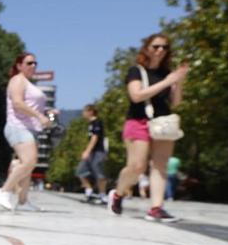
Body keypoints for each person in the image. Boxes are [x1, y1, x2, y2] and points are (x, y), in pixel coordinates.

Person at [107, 33, 189, 222]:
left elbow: (176, 103)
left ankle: (156, 208)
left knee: (160, 166)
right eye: (156, 46)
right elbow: (136, 96)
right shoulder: (136, 71)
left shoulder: (167, 73)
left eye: (165, 47)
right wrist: (167, 82)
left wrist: (178, 81)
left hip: (163, 123)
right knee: (137, 166)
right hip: (138, 121)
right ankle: (118, 193)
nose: (160, 50)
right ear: (146, 48)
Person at [0, 53, 53, 212]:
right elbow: (18, 103)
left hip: (30, 129)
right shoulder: (17, 80)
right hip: (18, 127)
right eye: (29, 63)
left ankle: (23, 201)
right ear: (19, 65)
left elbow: (31, 105)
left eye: (35, 63)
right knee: (29, 161)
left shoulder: (27, 83)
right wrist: (39, 116)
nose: (33, 66)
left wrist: (47, 113)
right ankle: (4, 191)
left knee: (27, 166)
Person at [75, 104, 108, 204]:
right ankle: (89, 191)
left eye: (84, 111)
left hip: (98, 151)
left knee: (99, 173)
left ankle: (103, 196)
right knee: (80, 171)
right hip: (92, 152)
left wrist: (87, 151)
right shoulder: (90, 124)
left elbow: (95, 138)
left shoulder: (97, 122)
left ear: (90, 112)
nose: (83, 114)